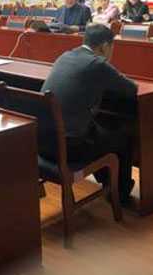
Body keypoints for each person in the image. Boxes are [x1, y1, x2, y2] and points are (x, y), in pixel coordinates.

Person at [41, 24, 137, 203]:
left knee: (100, 131)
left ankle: (108, 182)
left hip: (43, 143)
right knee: (123, 141)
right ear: (104, 46)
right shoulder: (98, 64)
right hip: (69, 148)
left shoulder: (65, 56)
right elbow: (131, 89)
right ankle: (120, 194)